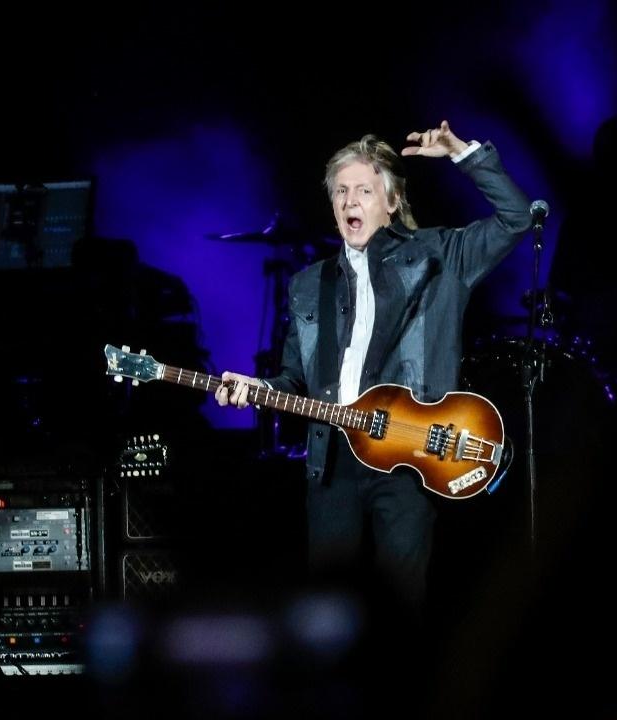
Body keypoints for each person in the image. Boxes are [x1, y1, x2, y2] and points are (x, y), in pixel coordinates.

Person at [214, 121, 531, 610]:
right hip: (332, 459)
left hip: (406, 456)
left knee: (400, 607)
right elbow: (294, 380)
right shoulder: (309, 285)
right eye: (340, 191)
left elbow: (516, 218)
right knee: (326, 612)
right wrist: (255, 387)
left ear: (391, 202)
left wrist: (462, 154)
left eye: (363, 190)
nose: (349, 201)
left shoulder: (439, 257)